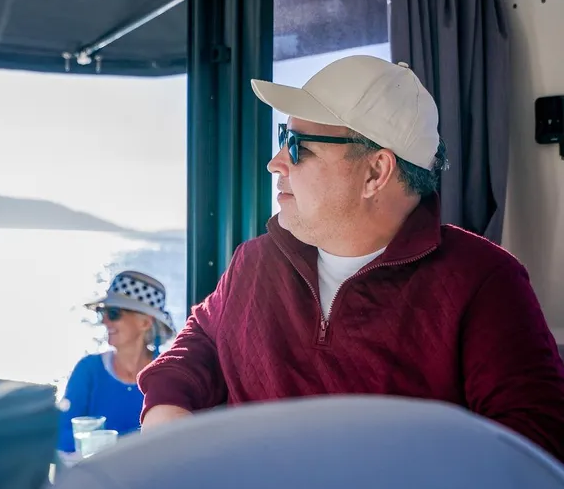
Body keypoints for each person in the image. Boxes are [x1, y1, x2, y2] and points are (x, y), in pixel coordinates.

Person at [137, 55, 564, 462]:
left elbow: (532, 443)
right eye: (281, 138)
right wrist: (166, 405)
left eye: (297, 145)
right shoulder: (254, 263)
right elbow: (204, 338)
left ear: (376, 172)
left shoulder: (483, 282)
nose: (276, 162)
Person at [57, 270, 175, 458]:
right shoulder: (88, 370)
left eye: (113, 314)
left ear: (145, 322)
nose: (104, 320)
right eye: (102, 312)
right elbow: (62, 436)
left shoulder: (168, 376)